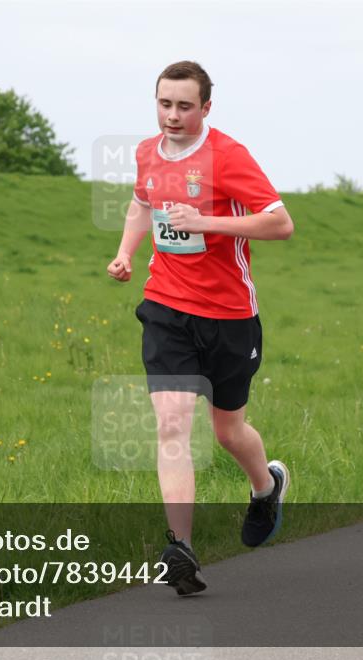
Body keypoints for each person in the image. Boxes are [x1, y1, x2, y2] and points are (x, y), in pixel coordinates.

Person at [106, 61, 295, 595]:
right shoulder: (147, 152)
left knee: (227, 430)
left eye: (184, 106)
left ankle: (266, 487)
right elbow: (142, 204)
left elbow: (280, 223)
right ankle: (180, 549)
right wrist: (124, 253)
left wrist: (206, 220)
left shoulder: (228, 156)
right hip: (166, 306)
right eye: (164, 104)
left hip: (231, 317)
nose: (172, 115)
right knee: (171, 424)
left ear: (206, 108)